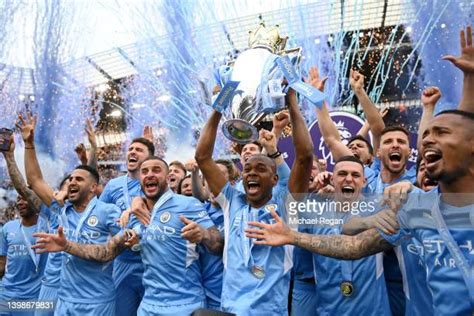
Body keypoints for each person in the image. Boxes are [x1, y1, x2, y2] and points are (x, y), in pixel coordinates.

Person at [244, 109, 474, 315]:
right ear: (331, 179)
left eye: (441, 133)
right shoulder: (417, 209)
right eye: (425, 135)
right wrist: (292, 236)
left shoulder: (401, 198)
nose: (428, 140)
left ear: (366, 182)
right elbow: (354, 245)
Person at [33, 156, 223, 315]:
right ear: (139, 179)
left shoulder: (188, 205)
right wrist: (67, 245)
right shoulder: (132, 216)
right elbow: (106, 252)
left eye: (156, 170)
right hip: (148, 306)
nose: (149, 175)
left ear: (167, 177)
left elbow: (218, 245)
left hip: (185, 304)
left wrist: (204, 235)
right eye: (145, 171)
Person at [195, 85, 313, 315]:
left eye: (261, 168)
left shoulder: (287, 204)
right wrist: (220, 106)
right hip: (230, 310)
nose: (251, 173)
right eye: (247, 169)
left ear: (275, 178)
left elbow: (306, 156)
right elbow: (202, 156)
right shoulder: (232, 202)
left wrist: (292, 101)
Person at [20, 114, 122, 315]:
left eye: (79, 179)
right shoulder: (60, 209)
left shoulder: (109, 211)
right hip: (65, 300)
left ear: (93, 188)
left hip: (97, 302)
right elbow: (34, 180)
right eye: (70, 179)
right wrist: (29, 145)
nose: (72, 182)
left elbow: (114, 251)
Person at [99, 136, 155, 316]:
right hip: (122, 261)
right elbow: (100, 216)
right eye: (131, 149)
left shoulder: (155, 184)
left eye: (139, 150)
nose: (132, 152)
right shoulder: (113, 185)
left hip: (152, 261)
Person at [0, 195, 49, 316]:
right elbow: (1, 263)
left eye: (24, 198)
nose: (20, 203)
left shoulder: (47, 229)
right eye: (18, 200)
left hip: (33, 297)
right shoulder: (8, 227)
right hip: (5, 294)